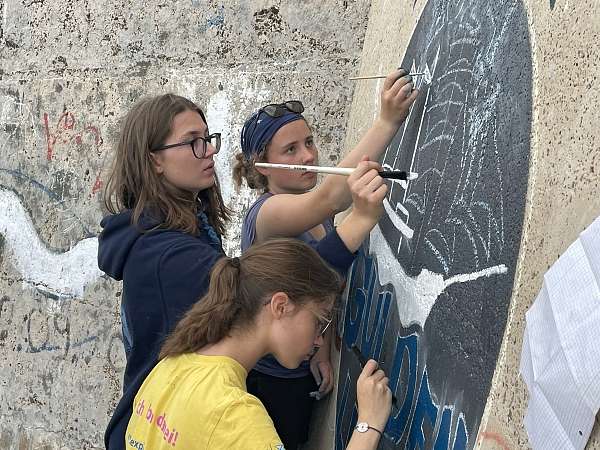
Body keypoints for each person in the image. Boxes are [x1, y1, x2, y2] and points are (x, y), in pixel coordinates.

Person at [232, 69, 418, 449]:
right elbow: (332, 198)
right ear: (263, 167)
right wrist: (386, 121)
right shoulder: (266, 215)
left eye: (309, 142)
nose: (308, 156)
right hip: (273, 377)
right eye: (291, 150)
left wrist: (323, 343)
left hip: (301, 359)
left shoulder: (317, 216)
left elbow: (317, 284)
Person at [125, 239, 392, 450]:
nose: (319, 339)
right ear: (280, 306)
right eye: (318, 321)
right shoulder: (232, 414)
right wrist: (369, 424)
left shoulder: (170, 365)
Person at [98, 94, 231, 450]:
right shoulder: (164, 253)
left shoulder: (188, 224)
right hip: (162, 430)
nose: (209, 151)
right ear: (154, 159)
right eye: (192, 143)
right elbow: (250, 290)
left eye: (207, 138)